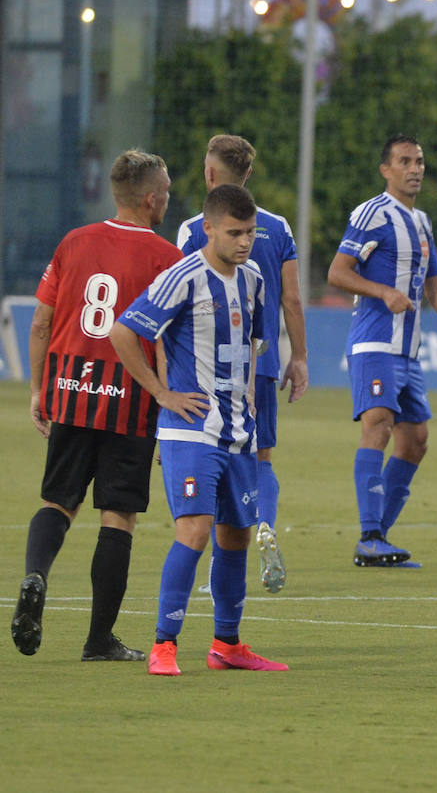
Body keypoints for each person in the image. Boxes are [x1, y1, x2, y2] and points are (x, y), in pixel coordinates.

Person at [11, 150, 183, 661]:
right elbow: (168, 344)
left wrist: (41, 390)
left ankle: (35, 576)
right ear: (151, 198)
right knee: (118, 517)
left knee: (57, 502)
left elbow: (40, 323)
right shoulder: (166, 258)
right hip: (129, 399)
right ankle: (98, 640)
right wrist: (167, 407)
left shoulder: (73, 242)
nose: (169, 197)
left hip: (71, 389)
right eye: (167, 190)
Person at [110, 183, 289, 675]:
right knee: (194, 531)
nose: (245, 241)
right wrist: (161, 394)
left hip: (238, 432)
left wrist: (249, 405)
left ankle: (227, 646)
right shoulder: (182, 276)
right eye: (235, 232)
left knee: (235, 537)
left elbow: (251, 347)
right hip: (191, 430)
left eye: (251, 232)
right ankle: (164, 645)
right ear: (208, 227)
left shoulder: (253, 279)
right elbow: (124, 331)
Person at [327, 134, 437, 567]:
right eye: (405, 161)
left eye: (419, 160)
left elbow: (435, 289)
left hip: (408, 351)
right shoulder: (371, 213)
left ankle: (378, 539)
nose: (415, 168)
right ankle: (371, 536)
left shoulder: (421, 223)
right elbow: (338, 272)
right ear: (386, 170)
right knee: (378, 426)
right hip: (374, 343)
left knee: (416, 440)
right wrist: (382, 291)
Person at [178, 134, 308, 593]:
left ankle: (219, 561)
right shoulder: (277, 226)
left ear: (210, 173)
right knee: (261, 457)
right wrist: (301, 357)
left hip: (205, 365)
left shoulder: (197, 228)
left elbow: (179, 303)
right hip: (262, 361)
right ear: (248, 174)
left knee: (212, 456)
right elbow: (291, 297)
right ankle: (264, 523)